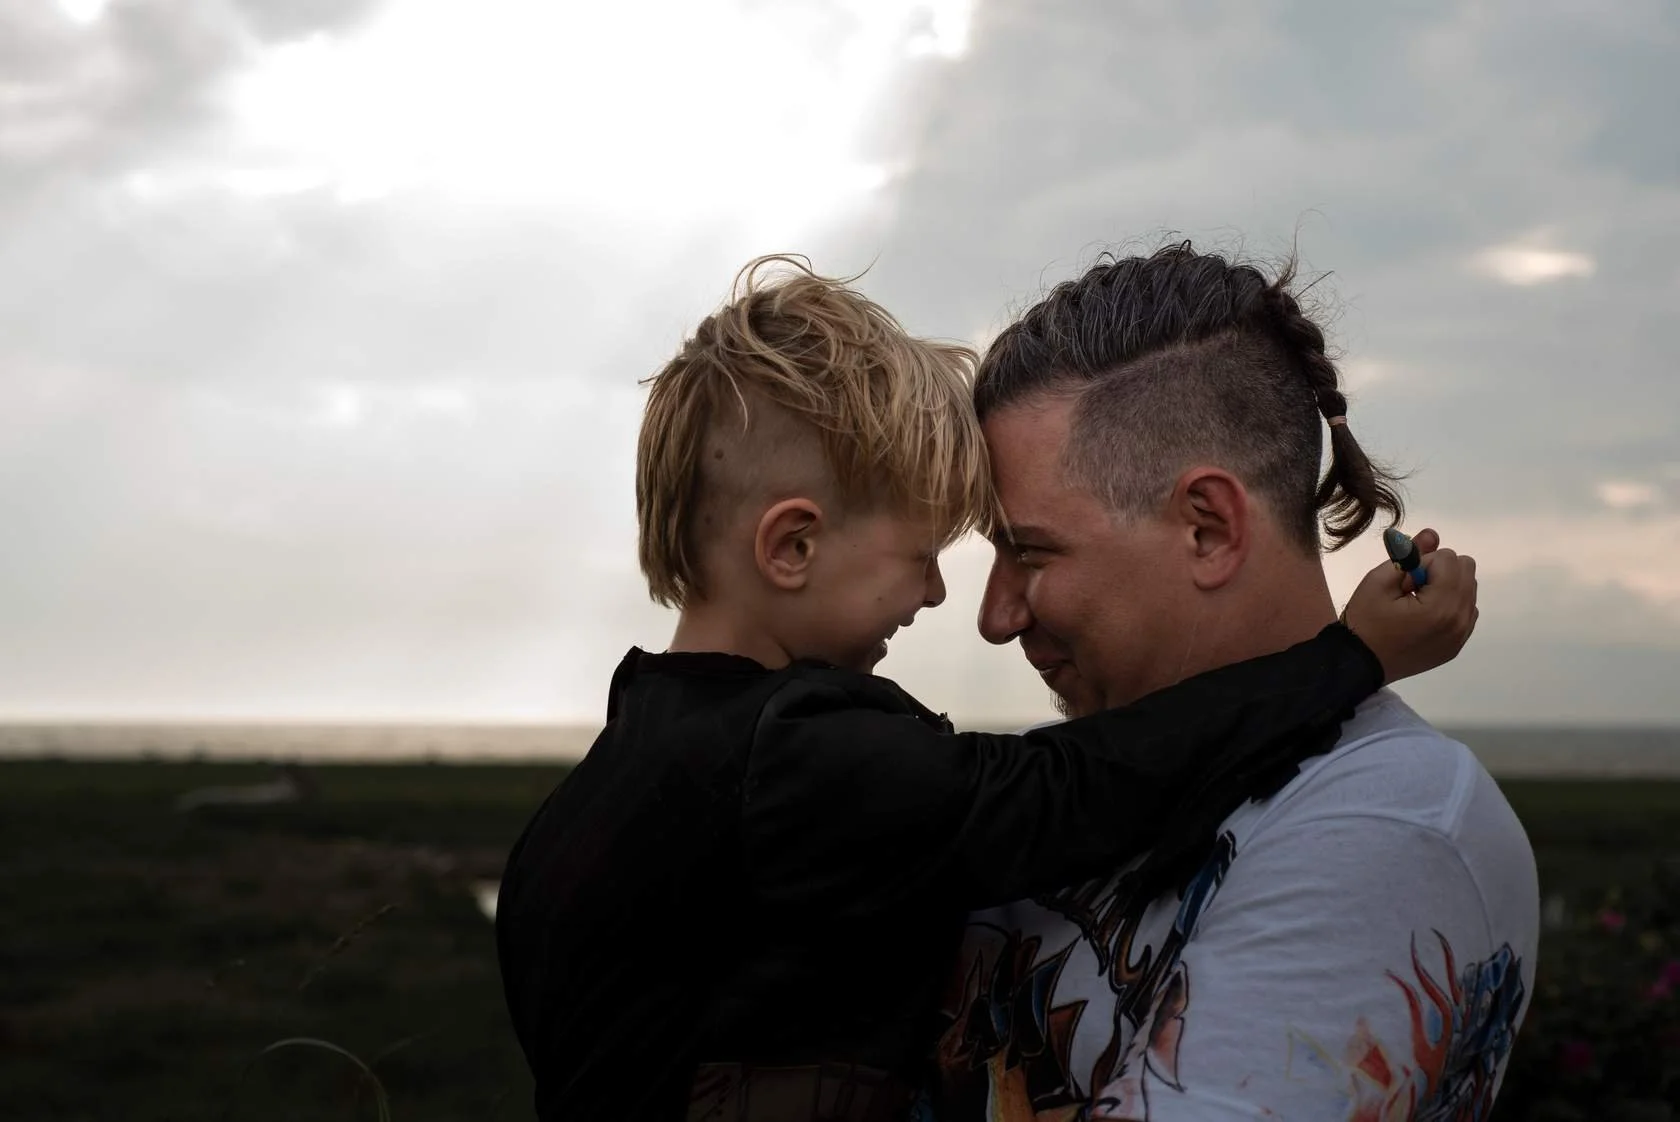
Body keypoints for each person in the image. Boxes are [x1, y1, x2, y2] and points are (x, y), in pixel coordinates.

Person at [494, 255, 1479, 1122]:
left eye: (1027, 552)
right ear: (790, 546)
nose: (953, 602)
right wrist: (1345, 663)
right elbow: (1062, 791)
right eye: (928, 554)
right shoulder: (800, 755)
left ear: (1210, 527)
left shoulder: (600, 792)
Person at [926, 243, 1538, 1122]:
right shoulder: (1058, 787)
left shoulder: (1387, 823)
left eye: (1029, 551)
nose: (995, 616)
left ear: (1209, 528)